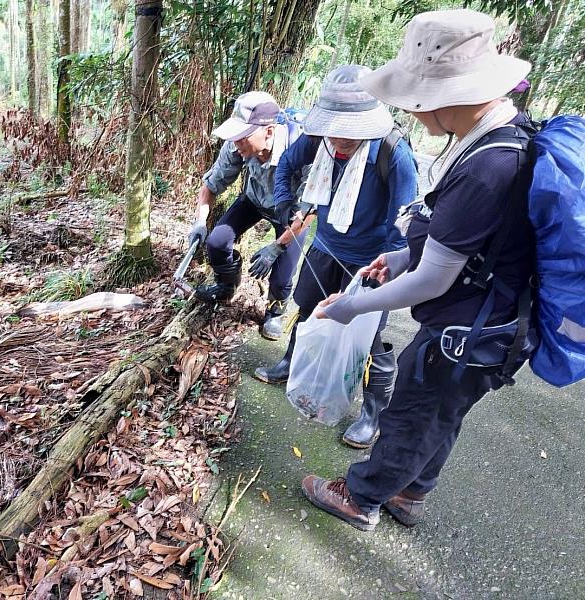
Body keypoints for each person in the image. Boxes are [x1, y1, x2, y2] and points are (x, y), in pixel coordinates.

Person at [301, 9, 534, 531]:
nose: (414, 112)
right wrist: (405, 255)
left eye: (417, 100)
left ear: (444, 95)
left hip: (467, 327)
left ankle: (360, 497)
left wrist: (350, 306)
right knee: (442, 415)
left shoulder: (487, 165)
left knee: (412, 411)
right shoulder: (499, 137)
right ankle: (411, 493)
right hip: (489, 324)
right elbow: (471, 246)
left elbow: (435, 280)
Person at [253, 65, 418, 449]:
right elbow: (288, 168)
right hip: (325, 246)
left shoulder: (394, 155)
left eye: (349, 131)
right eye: (333, 128)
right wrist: (285, 205)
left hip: (371, 263)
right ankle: (292, 365)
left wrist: (386, 269)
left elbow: (405, 221)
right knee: (308, 308)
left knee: (367, 338)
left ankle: (372, 412)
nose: (339, 139)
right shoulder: (319, 141)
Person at [189, 91, 306, 341]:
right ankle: (227, 284)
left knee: (282, 277)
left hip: (292, 214)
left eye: (243, 137)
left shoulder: (303, 149)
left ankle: (275, 310)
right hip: (254, 199)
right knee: (217, 242)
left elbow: (309, 211)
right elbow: (211, 185)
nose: (236, 143)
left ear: (269, 132)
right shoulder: (237, 147)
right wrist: (200, 221)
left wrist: (275, 247)